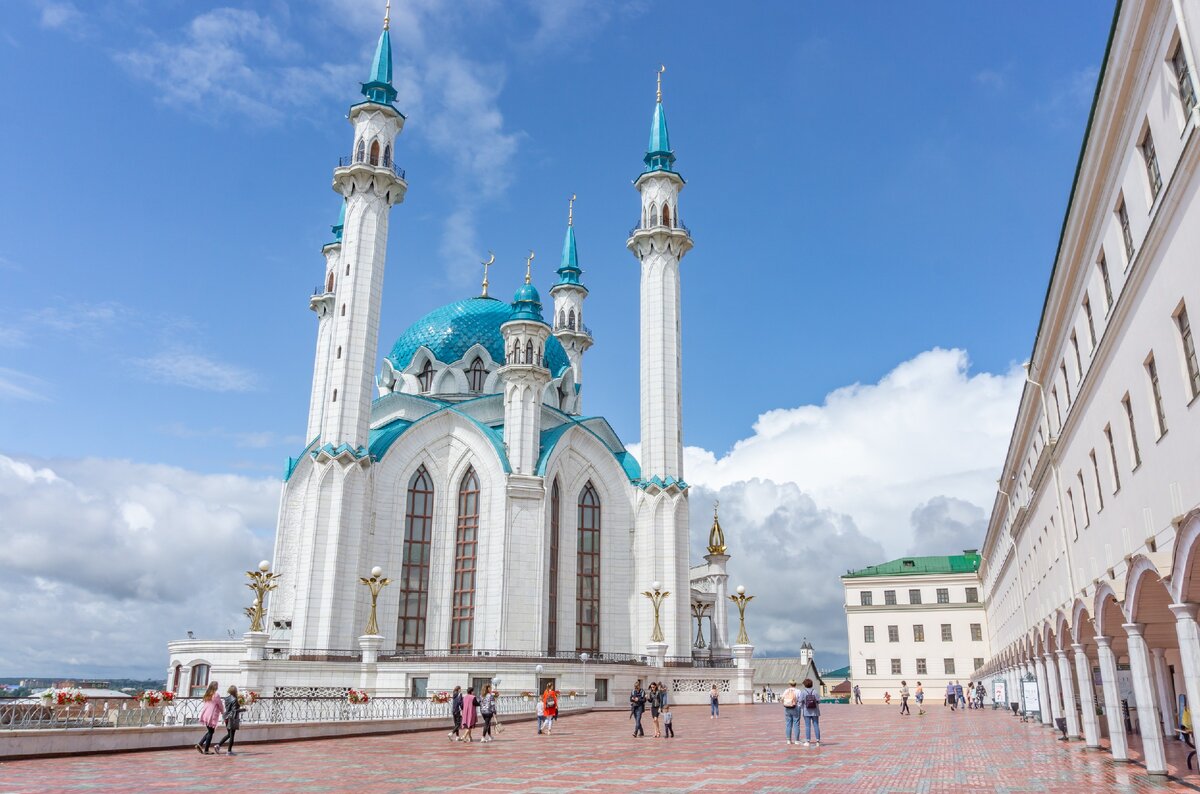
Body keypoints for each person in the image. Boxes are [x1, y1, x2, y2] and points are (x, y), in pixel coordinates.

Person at [195, 681, 223, 754]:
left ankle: (200, 744)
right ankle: (206, 750)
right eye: (217, 685)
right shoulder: (216, 695)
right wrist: (223, 712)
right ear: (215, 687)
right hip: (211, 716)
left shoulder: (207, 695)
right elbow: (220, 704)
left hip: (205, 714)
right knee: (211, 732)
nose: (218, 687)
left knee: (210, 731)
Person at [215, 685, 241, 755]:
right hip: (232, 718)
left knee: (229, 734)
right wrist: (243, 709)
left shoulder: (226, 698)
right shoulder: (235, 699)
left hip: (226, 717)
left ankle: (218, 745)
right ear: (235, 691)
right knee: (232, 735)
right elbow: (234, 710)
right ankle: (229, 751)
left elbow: (229, 709)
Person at [799, 678, 821, 747]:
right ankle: (818, 741)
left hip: (806, 711)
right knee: (816, 725)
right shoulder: (815, 691)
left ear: (805, 685)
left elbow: (800, 701)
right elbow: (819, 701)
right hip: (815, 711)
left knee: (807, 726)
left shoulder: (803, 692)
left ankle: (808, 741)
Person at [781, 678, 801, 745]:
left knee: (788, 724)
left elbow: (782, 698)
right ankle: (797, 740)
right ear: (795, 684)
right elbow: (800, 700)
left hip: (787, 708)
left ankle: (788, 740)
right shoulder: (798, 691)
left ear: (789, 684)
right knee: (796, 723)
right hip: (796, 708)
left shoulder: (786, 690)